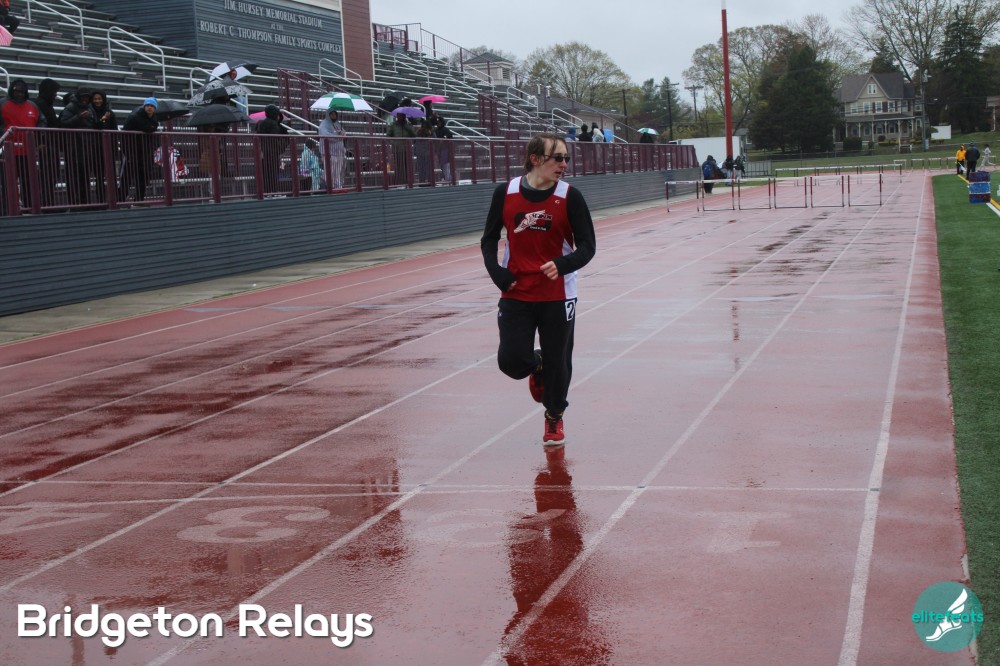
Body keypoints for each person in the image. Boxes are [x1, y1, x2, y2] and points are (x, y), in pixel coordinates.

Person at [480, 132, 596, 445]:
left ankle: (554, 416)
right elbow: (489, 239)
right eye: (557, 158)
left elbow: (588, 246)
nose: (564, 164)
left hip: (558, 294)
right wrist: (497, 273)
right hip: (516, 290)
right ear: (535, 159)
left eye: (566, 158)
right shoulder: (506, 193)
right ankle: (537, 363)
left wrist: (563, 264)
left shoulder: (570, 196)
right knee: (511, 362)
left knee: (560, 360)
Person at [0, 79, 44, 212]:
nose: (19, 94)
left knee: (29, 181)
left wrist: (39, 139)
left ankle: (29, 207)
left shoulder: (32, 105)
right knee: (9, 182)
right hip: (8, 151)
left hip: (27, 151)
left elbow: (42, 122)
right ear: (12, 91)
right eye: (17, 91)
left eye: (22, 92)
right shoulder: (2, 104)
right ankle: (9, 209)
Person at [117, 97, 159, 202]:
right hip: (132, 151)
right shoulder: (134, 117)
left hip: (145, 153)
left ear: (155, 108)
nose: (149, 108)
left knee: (143, 178)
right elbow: (124, 135)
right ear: (144, 106)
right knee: (127, 177)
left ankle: (139, 200)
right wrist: (126, 151)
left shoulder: (154, 119)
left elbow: (152, 130)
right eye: (147, 105)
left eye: (152, 106)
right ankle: (120, 200)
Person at [59, 87, 94, 205]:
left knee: (85, 175)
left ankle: (85, 201)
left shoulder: (89, 108)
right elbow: (63, 123)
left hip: (86, 146)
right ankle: (75, 202)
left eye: (87, 97)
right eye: (83, 97)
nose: (85, 99)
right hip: (73, 147)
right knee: (74, 175)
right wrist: (79, 117)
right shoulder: (71, 107)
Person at [33, 78, 62, 207]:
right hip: (46, 144)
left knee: (51, 174)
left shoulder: (46, 104)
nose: (55, 95)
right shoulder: (41, 104)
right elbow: (40, 124)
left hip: (50, 143)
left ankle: (48, 202)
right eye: (54, 92)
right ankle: (46, 203)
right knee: (48, 175)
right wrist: (40, 142)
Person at [86, 89, 117, 203]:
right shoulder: (89, 112)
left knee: (111, 175)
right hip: (94, 149)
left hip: (108, 149)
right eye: (95, 99)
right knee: (98, 175)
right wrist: (103, 120)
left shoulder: (110, 113)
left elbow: (114, 130)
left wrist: (114, 148)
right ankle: (100, 200)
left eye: (99, 99)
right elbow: (93, 126)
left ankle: (114, 199)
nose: (97, 101)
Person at [255, 104, 289, 195]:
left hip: (264, 152)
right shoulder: (274, 124)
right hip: (272, 153)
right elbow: (275, 139)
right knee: (273, 173)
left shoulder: (261, 123)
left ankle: (267, 192)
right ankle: (273, 191)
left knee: (266, 174)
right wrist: (281, 148)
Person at [318, 108, 347, 190]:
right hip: (329, 153)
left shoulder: (337, 124)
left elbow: (344, 133)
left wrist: (342, 133)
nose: (334, 116)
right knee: (331, 171)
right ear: (328, 115)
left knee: (338, 171)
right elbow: (325, 135)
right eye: (332, 114)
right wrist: (338, 136)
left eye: (335, 114)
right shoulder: (324, 125)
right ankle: (328, 185)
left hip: (339, 152)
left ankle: (337, 186)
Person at [386, 110, 415, 186]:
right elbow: (388, 136)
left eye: (401, 115)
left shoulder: (408, 125)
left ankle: (408, 182)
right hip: (397, 149)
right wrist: (394, 143)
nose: (400, 117)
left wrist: (408, 128)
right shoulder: (393, 125)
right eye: (398, 115)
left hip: (407, 149)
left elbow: (414, 135)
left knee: (407, 166)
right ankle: (399, 182)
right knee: (399, 166)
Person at [433, 115, 454, 183]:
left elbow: (450, 137)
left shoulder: (445, 130)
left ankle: (448, 179)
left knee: (446, 165)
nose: (438, 123)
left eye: (439, 122)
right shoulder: (436, 130)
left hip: (445, 149)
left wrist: (444, 139)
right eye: (437, 122)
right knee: (442, 165)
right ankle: (445, 178)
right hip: (439, 150)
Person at [414, 119, 433, 185]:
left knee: (421, 168)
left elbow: (415, 143)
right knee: (428, 168)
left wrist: (415, 151)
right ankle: (429, 181)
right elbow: (435, 141)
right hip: (427, 152)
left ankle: (422, 182)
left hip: (419, 152)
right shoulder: (430, 132)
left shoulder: (418, 132)